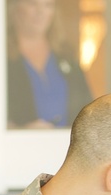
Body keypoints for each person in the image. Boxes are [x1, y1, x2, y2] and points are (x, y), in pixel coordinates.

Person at [7, 0, 93, 129]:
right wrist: (20, 130)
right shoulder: (2, 59)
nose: (40, 12)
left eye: (48, 5)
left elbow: (88, 110)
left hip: (67, 145)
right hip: (19, 145)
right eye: (32, 4)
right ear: (15, 8)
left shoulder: (66, 56)